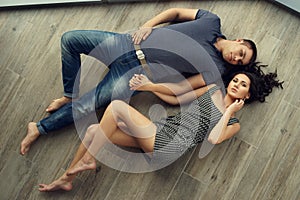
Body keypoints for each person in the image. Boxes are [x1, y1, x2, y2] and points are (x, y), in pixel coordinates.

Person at [20, 8, 258, 155]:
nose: (236, 58)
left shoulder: (215, 68)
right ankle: (68, 94)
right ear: (239, 41)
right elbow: (175, 12)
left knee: (87, 107)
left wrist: (151, 87)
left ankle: (39, 128)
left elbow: (181, 90)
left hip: (133, 74)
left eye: (239, 62)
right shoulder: (211, 21)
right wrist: (148, 25)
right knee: (69, 40)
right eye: (241, 53)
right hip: (127, 43)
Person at [37, 69, 282, 192]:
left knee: (117, 107)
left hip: (171, 145)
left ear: (247, 95)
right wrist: (150, 85)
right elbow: (177, 97)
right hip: (160, 131)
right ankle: (66, 179)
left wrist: (228, 112)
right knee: (93, 130)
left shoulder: (233, 124)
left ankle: (89, 160)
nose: (236, 85)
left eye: (242, 85)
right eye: (236, 80)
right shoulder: (212, 90)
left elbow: (213, 138)